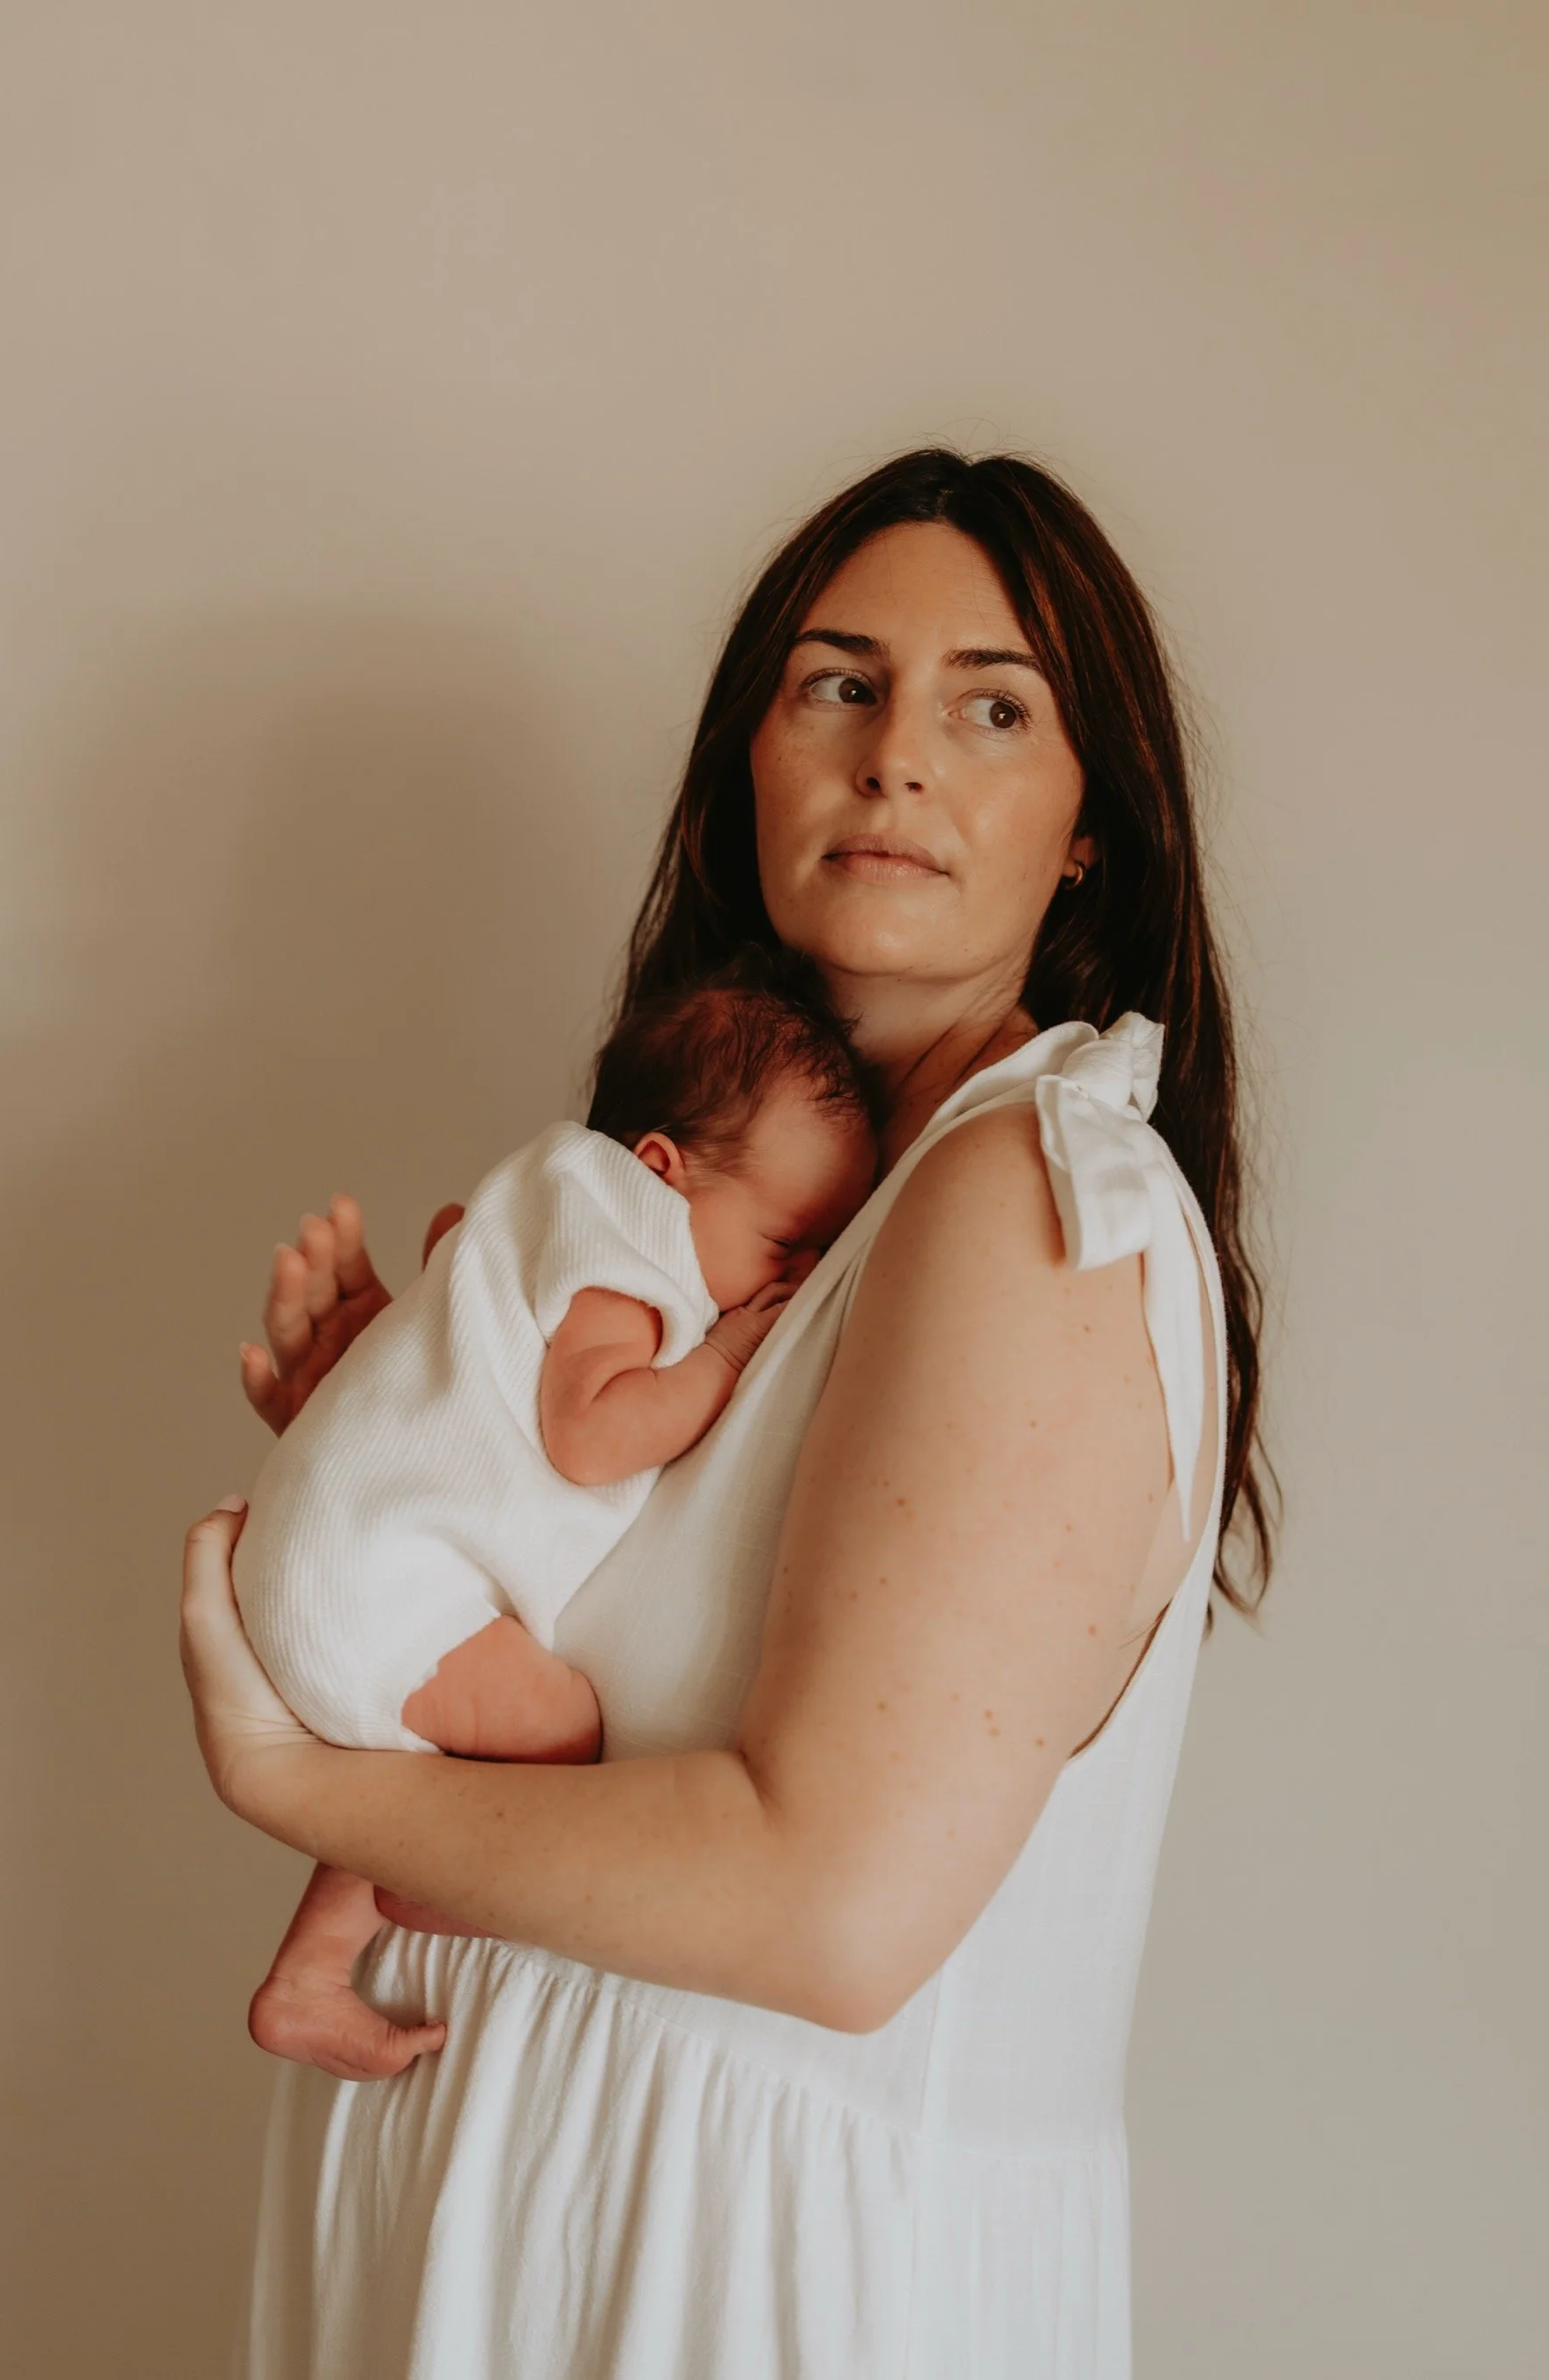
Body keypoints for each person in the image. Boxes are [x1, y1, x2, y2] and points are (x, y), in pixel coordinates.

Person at [180, 446, 1275, 2379]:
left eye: (991, 705)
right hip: (534, 2241)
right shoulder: (737, 1210)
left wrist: (294, 1783)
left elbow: (830, 1911)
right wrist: (425, 1433)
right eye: (839, 685)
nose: (897, 756)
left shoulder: (1033, 1202)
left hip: (738, 2300)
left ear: (1091, 827)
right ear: (750, 761)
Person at [232, 958, 876, 2079]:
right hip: (379, 1585)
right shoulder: (624, 1269)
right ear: (662, 1172)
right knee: (561, 1732)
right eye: (784, 1244)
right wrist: (725, 1354)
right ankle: (445, 1896)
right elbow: (593, 1435)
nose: (795, 1276)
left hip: (343, 1564)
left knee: (435, 1756)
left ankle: (306, 1976)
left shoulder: (543, 1199)